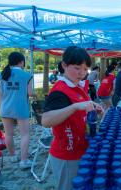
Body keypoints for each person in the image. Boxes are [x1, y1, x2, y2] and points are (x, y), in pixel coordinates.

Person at [41, 46, 102, 190]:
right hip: (67, 154)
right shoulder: (60, 90)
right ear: (64, 65)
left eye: (85, 69)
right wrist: (75, 107)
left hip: (81, 149)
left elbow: (81, 112)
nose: (82, 73)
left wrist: (93, 110)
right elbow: (46, 120)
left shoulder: (78, 85)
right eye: (76, 68)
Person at [0, 52, 35, 169]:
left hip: (5, 108)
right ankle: (24, 161)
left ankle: (13, 156)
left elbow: (0, 94)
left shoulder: (1, 74)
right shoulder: (27, 75)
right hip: (21, 108)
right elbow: (30, 93)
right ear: (21, 61)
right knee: (25, 134)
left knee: (8, 134)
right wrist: (35, 95)